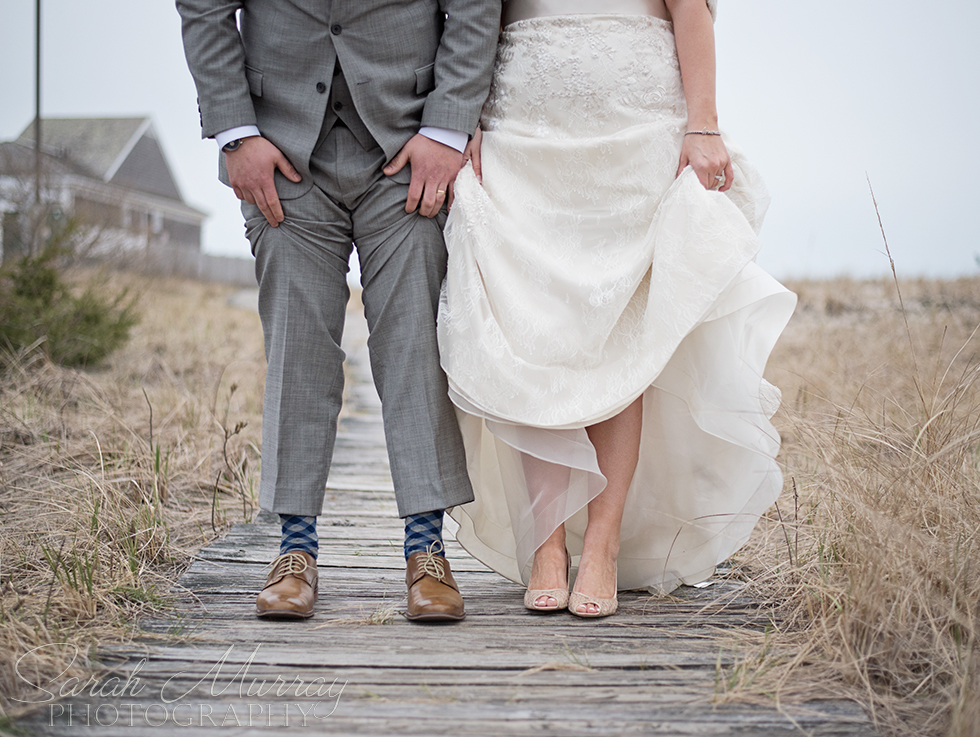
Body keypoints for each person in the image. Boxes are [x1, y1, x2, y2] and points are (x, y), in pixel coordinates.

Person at [438, 0, 798, 617]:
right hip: (522, 132)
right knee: (534, 332)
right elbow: (477, 16)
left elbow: (691, 9)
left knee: (619, 338)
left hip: (635, 131)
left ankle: (602, 544)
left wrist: (703, 124)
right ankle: (547, 545)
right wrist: (462, 118)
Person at [175, 0, 499, 621]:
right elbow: (204, 8)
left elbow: (475, 8)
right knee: (299, 352)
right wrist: (236, 135)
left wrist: (448, 129)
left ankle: (425, 550)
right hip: (282, 154)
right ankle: (295, 549)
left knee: (416, 350)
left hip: (409, 149)